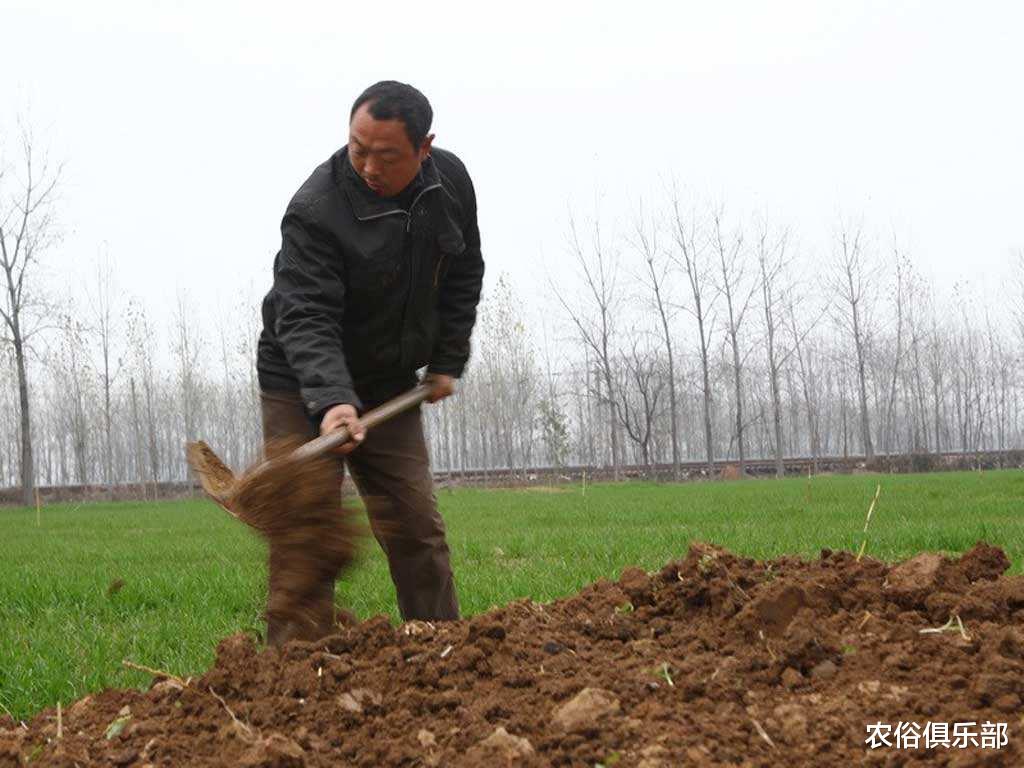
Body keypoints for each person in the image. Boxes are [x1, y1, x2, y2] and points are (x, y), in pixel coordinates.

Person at [256, 81, 484, 646]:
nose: (367, 166)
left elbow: (463, 273)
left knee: (416, 526)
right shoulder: (316, 210)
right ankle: (294, 675)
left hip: (386, 380)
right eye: (357, 148)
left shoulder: (449, 186)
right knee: (304, 537)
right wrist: (331, 399)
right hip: (301, 376)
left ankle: (441, 651)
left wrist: (448, 357)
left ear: (423, 148)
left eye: (385, 155)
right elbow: (304, 313)